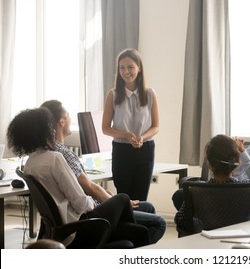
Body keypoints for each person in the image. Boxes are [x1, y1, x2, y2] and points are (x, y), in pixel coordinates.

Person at [7, 107, 150, 248]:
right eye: (50, 126)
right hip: (80, 228)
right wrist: (96, 204)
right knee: (123, 198)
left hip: (62, 230)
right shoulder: (54, 158)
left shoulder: (30, 164)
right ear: (43, 131)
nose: (53, 130)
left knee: (138, 231)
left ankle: (123, 232)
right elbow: (81, 202)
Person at [41, 100, 166, 244]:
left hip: (77, 216)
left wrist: (111, 198)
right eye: (68, 115)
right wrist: (116, 203)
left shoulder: (47, 152)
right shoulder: (65, 154)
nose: (70, 119)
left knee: (146, 207)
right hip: (92, 216)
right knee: (158, 222)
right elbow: (89, 188)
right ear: (61, 122)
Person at [171, 103, 250, 211]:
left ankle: (207, 222)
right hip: (231, 186)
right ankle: (207, 223)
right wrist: (230, 154)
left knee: (189, 196)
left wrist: (242, 152)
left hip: (249, 195)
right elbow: (238, 169)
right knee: (181, 194)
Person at [174, 134, 250, 232]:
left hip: (206, 243)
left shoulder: (195, 190)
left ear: (209, 163)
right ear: (237, 162)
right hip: (242, 242)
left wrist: (200, 226)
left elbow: (180, 220)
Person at [102, 48, 159, 201]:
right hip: (122, 151)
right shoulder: (113, 95)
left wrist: (142, 137)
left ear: (139, 68)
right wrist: (126, 135)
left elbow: (156, 126)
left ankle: (140, 225)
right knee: (124, 199)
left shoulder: (149, 94)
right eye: (122, 67)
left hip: (145, 150)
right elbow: (105, 128)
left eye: (130, 67)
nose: (126, 71)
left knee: (141, 199)